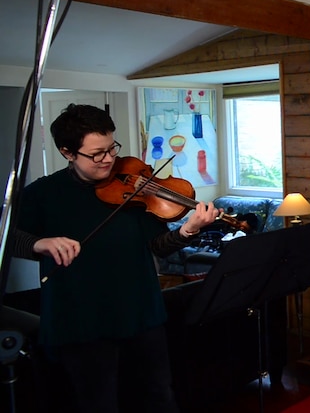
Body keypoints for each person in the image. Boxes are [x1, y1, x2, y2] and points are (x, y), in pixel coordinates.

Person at [9, 103, 221, 413]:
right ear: (68, 152)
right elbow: (9, 240)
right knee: (98, 403)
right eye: (96, 154)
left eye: (111, 148)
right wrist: (40, 243)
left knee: (159, 397)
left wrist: (188, 230)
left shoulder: (134, 184)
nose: (109, 159)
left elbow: (158, 245)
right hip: (82, 322)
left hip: (141, 313)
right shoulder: (42, 194)